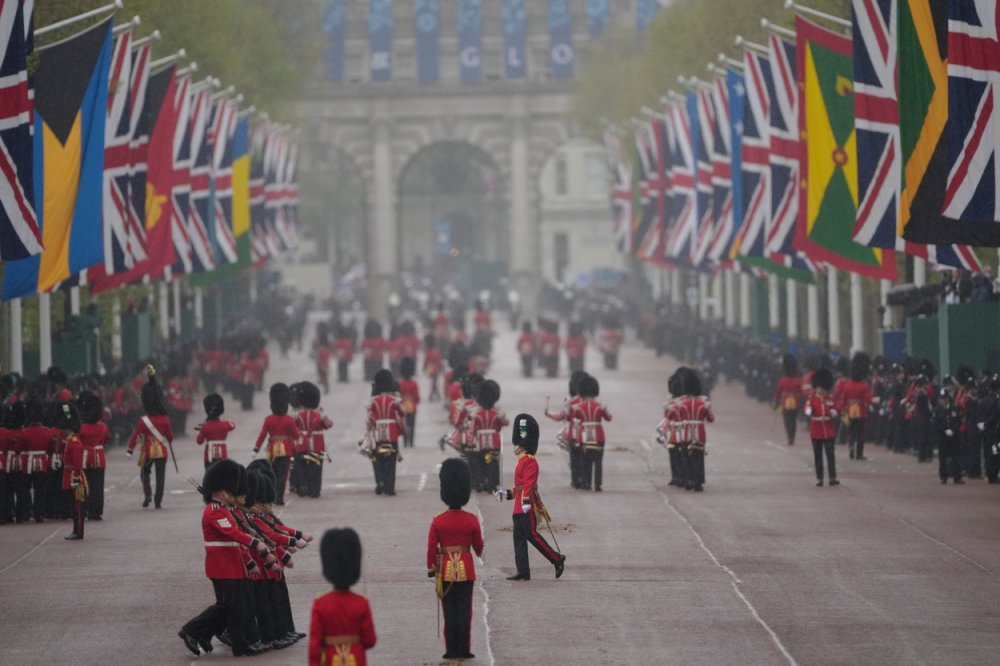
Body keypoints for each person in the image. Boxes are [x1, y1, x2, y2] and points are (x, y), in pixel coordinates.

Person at [179, 459, 274, 657]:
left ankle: (236, 643)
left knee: (236, 607)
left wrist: (248, 560)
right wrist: (256, 543)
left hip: (233, 565)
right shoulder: (214, 512)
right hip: (221, 567)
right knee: (226, 605)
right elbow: (233, 534)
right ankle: (191, 630)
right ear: (219, 491)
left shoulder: (226, 510)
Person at [494, 413, 566, 581]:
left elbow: (528, 485)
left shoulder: (530, 461)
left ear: (524, 444)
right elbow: (519, 488)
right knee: (518, 539)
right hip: (519, 506)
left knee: (532, 536)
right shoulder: (521, 461)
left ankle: (557, 558)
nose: (515, 446)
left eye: (517, 444)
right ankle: (523, 570)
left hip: (526, 505)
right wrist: (506, 493)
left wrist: (526, 502)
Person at [427, 459, 484, 660]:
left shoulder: (438, 521)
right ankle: (463, 648)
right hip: (466, 570)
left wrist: (431, 568)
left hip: (445, 571)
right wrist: (478, 551)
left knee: (449, 612)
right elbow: (479, 547)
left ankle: (451, 649)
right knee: (464, 612)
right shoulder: (471, 520)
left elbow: (432, 547)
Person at [309, 528, 377, 666]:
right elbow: (370, 641)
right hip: (356, 658)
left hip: (329, 658)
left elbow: (314, 646)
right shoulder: (361, 602)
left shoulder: (320, 603)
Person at [126, 366, 174, 509]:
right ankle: (158, 501)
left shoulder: (143, 421)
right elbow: (170, 438)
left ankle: (147, 494)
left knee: (144, 473)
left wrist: (130, 450)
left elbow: (135, 436)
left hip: (147, 450)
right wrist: (168, 439)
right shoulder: (165, 419)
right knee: (160, 477)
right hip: (161, 451)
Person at [253, 384, 300, 506]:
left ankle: (272, 496)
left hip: (273, 448)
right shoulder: (289, 419)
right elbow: (296, 435)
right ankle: (279, 498)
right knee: (282, 475)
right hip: (286, 449)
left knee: (272, 473)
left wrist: (256, 448)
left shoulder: (269, 419)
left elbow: (262, 435)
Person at [363, 369, 405, 496]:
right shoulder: (395, 401)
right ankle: (390, 486)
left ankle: (380, 481)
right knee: (392, 460)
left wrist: (369, 430)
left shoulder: (373, 401)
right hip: (391, 433)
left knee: (376, 458)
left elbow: (370, 417)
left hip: (378, 434)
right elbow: (402, 413)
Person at [674, 368, 714, 491]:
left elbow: (678, 418)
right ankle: (698, 482)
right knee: (698, 458)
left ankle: (688, 479)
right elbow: (711, 418)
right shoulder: (703, 404)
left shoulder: (682, 404)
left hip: (686, 433)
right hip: (700, 433)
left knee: (686, 458)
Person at [544, 371, 586, 489]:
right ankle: (586, 479)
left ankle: (576, 480)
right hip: (588, 433)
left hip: (572, 433)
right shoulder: (589, 402)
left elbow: (560, 417)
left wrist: (548, 414)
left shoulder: (570, 402)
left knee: (574, 458)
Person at [572, 375, 612, 492]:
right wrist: (606, 409)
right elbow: (609, 418)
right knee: (598, 461)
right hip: (598, 435)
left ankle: (586, 483)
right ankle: (598, 484)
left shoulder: (578, 407)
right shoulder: (600, 406)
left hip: (584, 434)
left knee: (586, 460)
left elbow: (575, 419)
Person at [294, 381, 333, 498]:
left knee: (301, 466)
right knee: (317, 468)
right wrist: (323, 414)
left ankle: (303, 486)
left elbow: (293, 427)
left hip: (302, 444)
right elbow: (328, 425)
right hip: (317, 444)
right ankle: (315, 489)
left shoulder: (298, 415)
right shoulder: (319, 415)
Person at [471, 380, 508, 492]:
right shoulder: (496, 413)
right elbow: (504, 424)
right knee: (492, 463)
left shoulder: (477, 413)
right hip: (494, 441)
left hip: (480, 441)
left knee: (481, 462)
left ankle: (481, 481)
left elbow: (473, 429)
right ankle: (492, 484)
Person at [77, 391, 109, 521]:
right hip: (99, 458)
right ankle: (96, 511)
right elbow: (107, 439)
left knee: (84, 485)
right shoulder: (103, 427)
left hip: (84, 458)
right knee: (97, 486)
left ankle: (83, 509)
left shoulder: (81, 427)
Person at [805, 367, 839, 487]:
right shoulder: (812, 399)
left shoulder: (829, 399)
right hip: (816, 430)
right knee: (818, 455)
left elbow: (834, 409)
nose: (821, 390)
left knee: (830, 454)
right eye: (819, 388)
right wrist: (808, 410)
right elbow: (808, 408)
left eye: (823, 388)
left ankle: (832, 477)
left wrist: (834, 412)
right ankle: (819, 478)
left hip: (828, 430)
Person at [58, 401, 86, 541]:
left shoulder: (74, 442)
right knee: (74, 508)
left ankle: (78, 531)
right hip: (70, 476)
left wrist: (75, 479)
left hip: (75, 478)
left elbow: (77, 464)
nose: (61, 431)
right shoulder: (70, 440)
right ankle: (76, 530)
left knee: (78, 508)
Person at [839, 353, 874, 460]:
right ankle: (859, 454)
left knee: (851, 432)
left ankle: (851, 449)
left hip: (850, 411)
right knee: (860, 434)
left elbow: (843, 399)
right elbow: (868, 400)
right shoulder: (864, 386)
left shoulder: (847, 385)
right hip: (861, 411)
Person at [933, 389, 965, 484]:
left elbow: (958, 421)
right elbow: (936, 423)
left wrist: (953, 430)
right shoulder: (937, 410)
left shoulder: (954, 408)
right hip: (942, 437)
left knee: (956, 456)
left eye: (945, 398)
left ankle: (957, 476)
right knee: (942, 457)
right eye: (942, 399)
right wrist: (944, 430)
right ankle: (943, 476)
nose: (943, 400)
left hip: (954, 436)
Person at [196, 393, 236, 470]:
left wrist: (202, 430)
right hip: (222, 455)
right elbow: (233, 425)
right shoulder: (225, 425)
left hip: (209, 455)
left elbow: (199, 441)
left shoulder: (205, 427)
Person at [773, 355, 803, 446]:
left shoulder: (782, 380)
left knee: (787, 420)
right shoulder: (798, 380)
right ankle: (792, 436)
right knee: (793, 420)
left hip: (785, 401)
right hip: (795, 401)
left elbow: (778, 391)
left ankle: (789, 435)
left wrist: (776, 400)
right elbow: (800, 392)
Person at [398, 357, 420, 448]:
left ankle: (405, 442)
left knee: (404, 425)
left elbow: (398, 396)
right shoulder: (414, 383)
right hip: (412, 405)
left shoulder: (400, 383)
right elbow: (417, 398)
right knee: (412, 425)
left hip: (402, 406)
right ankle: (411, 442)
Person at [423, 334, 442, 402]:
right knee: (434, 382)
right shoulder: (436, 352)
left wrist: (424, 368)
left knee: (434, 382)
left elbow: (426, 361)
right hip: (436, 368)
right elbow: (439, 361)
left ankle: (433, 395)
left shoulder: (428, 352)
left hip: (430, 368)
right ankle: (434, 395)